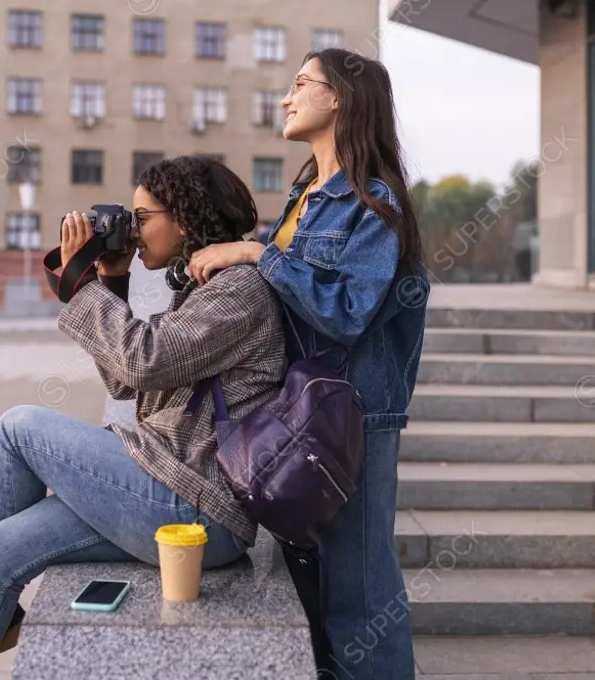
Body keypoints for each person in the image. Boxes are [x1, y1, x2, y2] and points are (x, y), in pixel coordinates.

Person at [0, 155, 287, 679]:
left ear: (182, 217)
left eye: (141, 218)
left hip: (199, 511)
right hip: (166, 493)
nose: (131, 233)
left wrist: (81, 286)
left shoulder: (239, 291)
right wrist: (111, 282)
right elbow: (129, 380)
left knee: (17, 426)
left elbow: (143, 358)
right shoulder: (202, 290)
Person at [187, 49, 428, 680]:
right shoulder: (306, 193)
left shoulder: (374, 205)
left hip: (353, 416)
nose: (288, 98)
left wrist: (252, 253)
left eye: (301, 84)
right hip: (299, 413)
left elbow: (347, 311)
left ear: (341, 98)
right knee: (321, 586)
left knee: (361, 590)